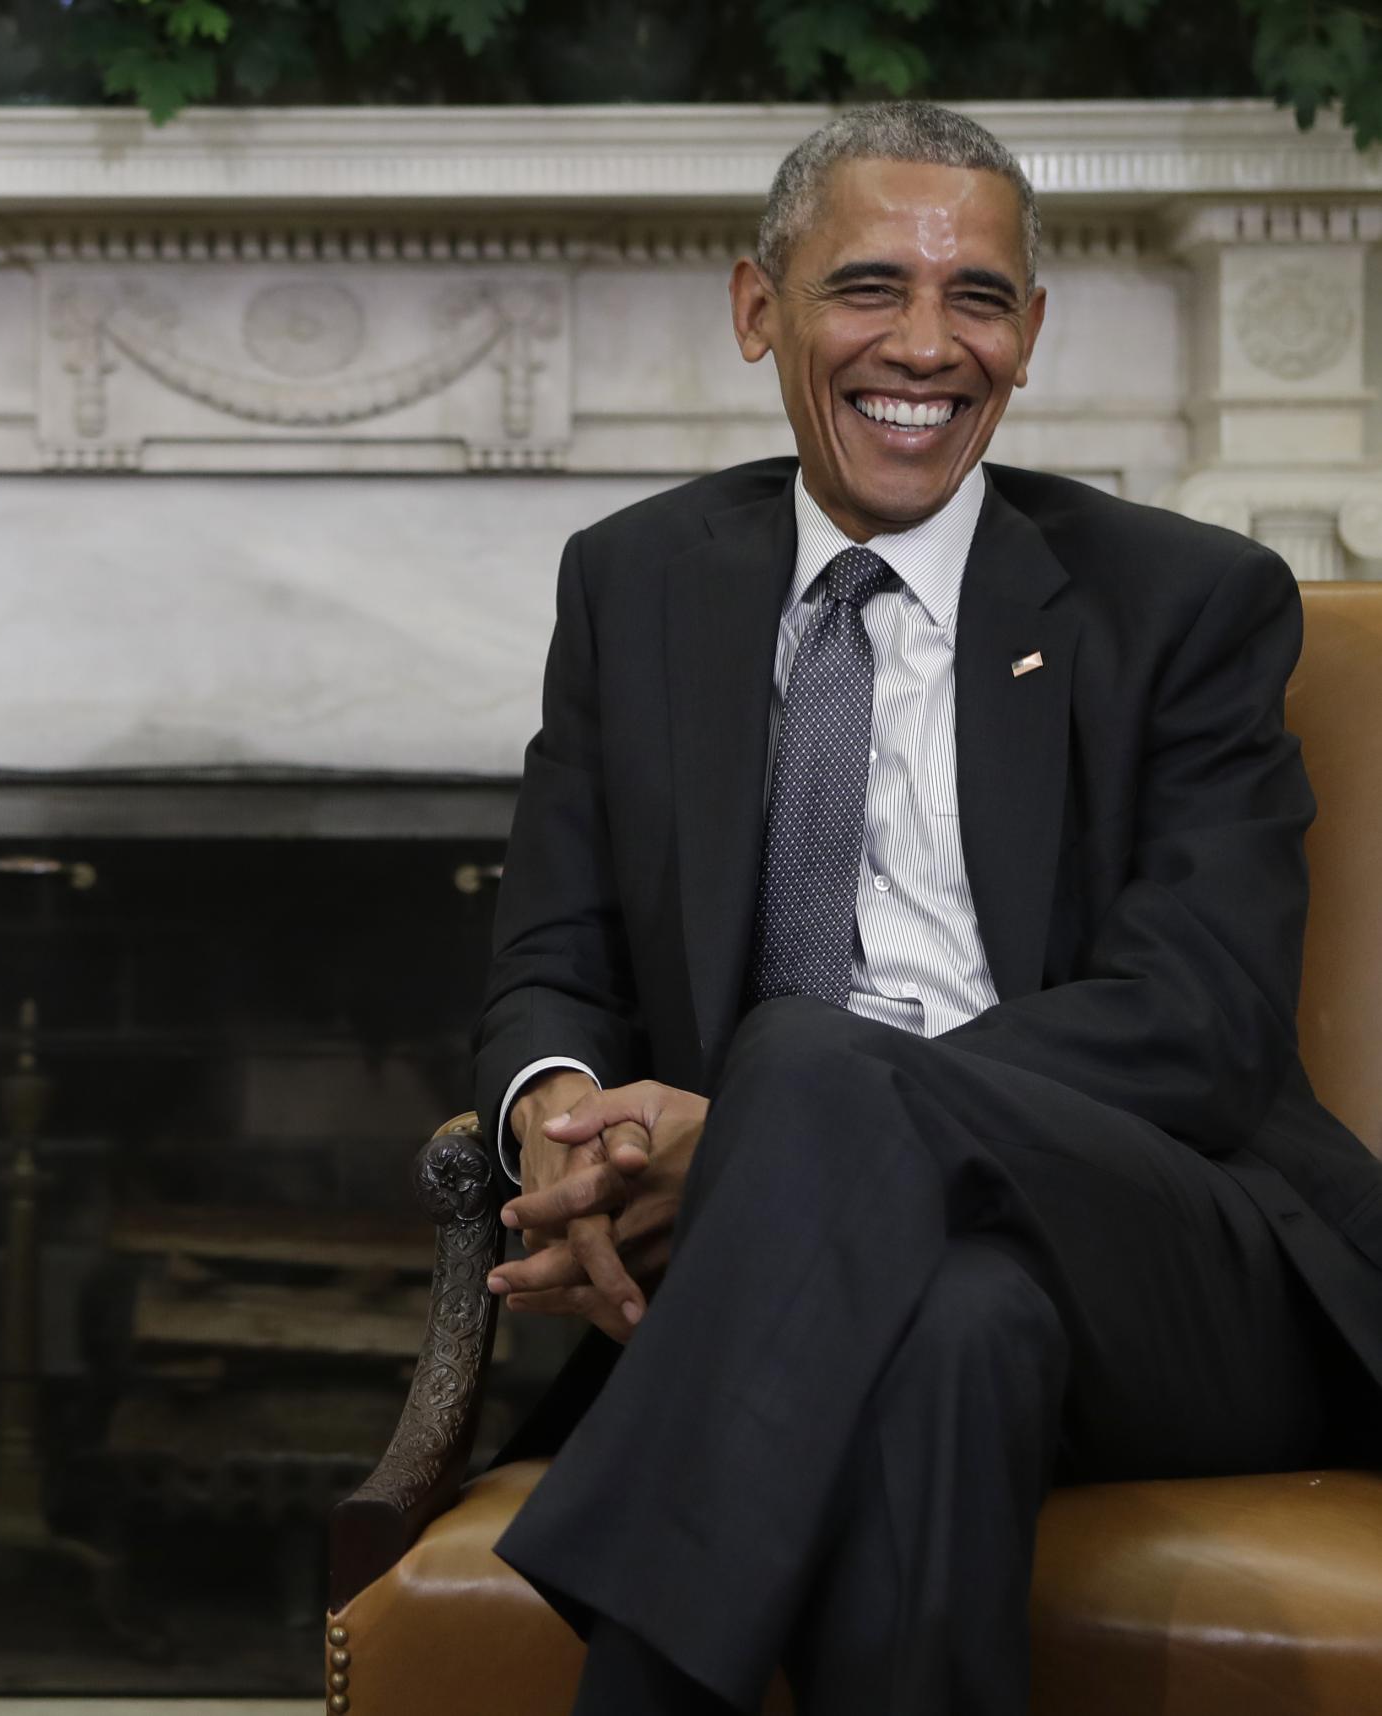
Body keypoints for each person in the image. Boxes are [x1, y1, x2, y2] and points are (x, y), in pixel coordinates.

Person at [476, 101, 1382, 1715]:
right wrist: (564, 1120)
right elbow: (554, 961)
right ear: (761, 310)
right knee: (956, 1331)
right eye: (867, 288)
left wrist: (763, 1119)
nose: (927, 345)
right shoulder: (635, 585)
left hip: (1186, 1266)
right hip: (857, 1280)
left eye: (978, 301)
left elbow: (1205, 1028)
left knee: (809, 1061)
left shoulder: (1181, 604)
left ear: (1030, 337)